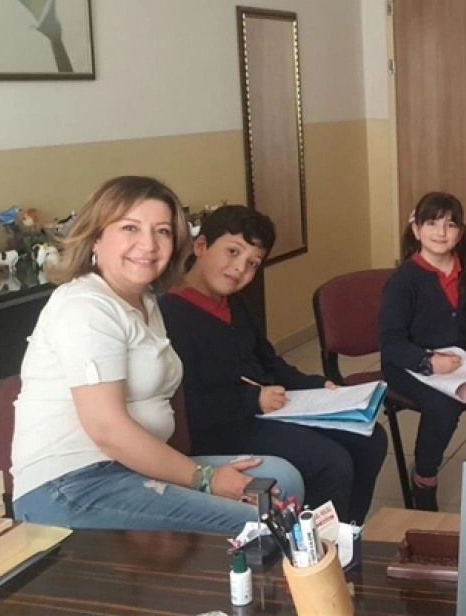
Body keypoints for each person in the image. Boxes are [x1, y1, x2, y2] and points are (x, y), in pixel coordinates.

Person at [11, 176, 302, 534]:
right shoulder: (85, 307)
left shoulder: (145, 301)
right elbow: (107, 430)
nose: (148, 244)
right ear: (96, 236)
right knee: (260, 526)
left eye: (162, 231)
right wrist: (205, 478)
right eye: (130, 228)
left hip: (131, 469)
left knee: (283, 479)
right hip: (72, 485)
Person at [161, 205, 388, 524]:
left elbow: (269, 362)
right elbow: (186, 405)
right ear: (201, 247)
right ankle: (312, 547)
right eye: (232, 252)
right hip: (216, 428)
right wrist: (252, 400)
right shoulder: (171, 314)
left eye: (252, 263)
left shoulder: (234, 304)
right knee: (330, 462)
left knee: (371, 439)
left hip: (261, 412)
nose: (239, 268)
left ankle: (347, 533)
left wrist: (317, 386)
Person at [378, 192, 466, 511]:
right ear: (417, 230)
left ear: (460, 232)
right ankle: (424, 478)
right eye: (432, 223)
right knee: (443, 409)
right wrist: (427, 362)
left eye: (450, 224)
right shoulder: (403, 282)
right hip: (408, 364)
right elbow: (391, 342)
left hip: (459, 362)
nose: (441, 232)